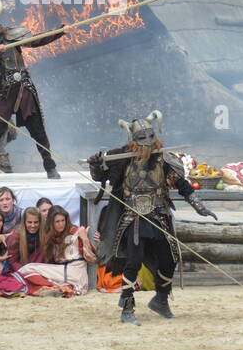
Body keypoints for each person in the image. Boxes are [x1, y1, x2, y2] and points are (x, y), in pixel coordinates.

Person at [89, 110, 217, 324]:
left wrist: (199, 206)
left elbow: (182, 185)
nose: (147, 143)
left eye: (150, 137)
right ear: (133, 140)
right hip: (133, 219)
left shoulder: (163, 159)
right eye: (141, 139)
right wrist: (96, 163)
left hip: (159, 216)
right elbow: (102, 176)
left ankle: (161, 298)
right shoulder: (121, 159)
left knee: (169, 260)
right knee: (133, 261)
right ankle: (127, 307)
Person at [0, 2, 63, 182]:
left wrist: (60, 31)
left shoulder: (11, 35)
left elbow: (37, 40)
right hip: (3, 92)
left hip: (24, 90)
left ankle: (51, 168)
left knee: (38, 131)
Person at [18, 205, 96, 295]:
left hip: (75, 273)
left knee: (27, 269)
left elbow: (93, 258)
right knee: (26, 272)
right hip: (62, 272)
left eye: (63, 220)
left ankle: (58, 287)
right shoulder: (52, 235)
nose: (61, 224)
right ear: (52, 223)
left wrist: (85, 238)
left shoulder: (75, 232)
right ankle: (60, 288)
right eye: (57, 221)